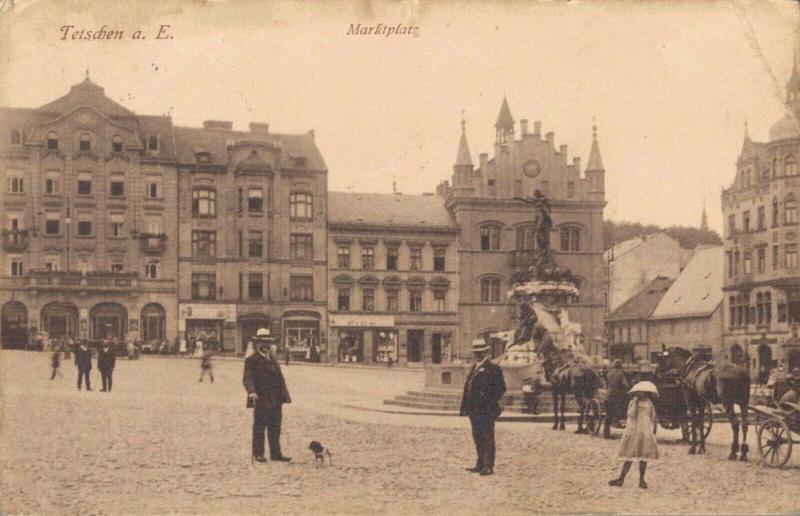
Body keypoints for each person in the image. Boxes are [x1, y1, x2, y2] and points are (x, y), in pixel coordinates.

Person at [243, 328, 292, 463]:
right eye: (263, 342)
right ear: (257, 344)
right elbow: (248, 377)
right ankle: (258, 453)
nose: (266, 345)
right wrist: (251, 391)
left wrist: (284, 393)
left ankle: (276, 454)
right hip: (262, 398)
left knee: (275, 427)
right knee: (259, 426)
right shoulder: (252, 360)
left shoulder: (272, 357)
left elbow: (279, 376)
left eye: (268, 343)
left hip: (276, 398)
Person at [459, 338, 507, 476]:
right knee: (477, 437)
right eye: (476, 352)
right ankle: (480, 464)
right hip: (474, 409)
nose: (478, 354)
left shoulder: (493, 368)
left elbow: (501, 388)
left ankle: (488, 466)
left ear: (486, 352)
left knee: (487, 437)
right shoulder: (474, 367)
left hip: (486, 410)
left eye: (481, 352)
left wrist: (487, 399)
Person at [609, 381, 659, 489]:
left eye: (643, 392)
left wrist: (652, 427)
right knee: (630, 456)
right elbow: (631, 415)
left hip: (644, 431)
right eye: (640, 392)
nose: (641, 394)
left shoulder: (649, 403)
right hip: (635, 430)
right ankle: (621, 478)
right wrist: (635, 404)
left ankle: (641, 480)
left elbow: (653, 417)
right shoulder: (634, 402)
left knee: (643, 457)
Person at [603, 360, 631, 439]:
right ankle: (616, 420)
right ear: (620, 366)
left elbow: (607, 384)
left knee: (608, 415)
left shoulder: (609, 374)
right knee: (623, 407)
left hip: (608, 396)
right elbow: (625, 385)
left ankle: (606, 434)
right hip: (617, 397)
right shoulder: (620, 374)